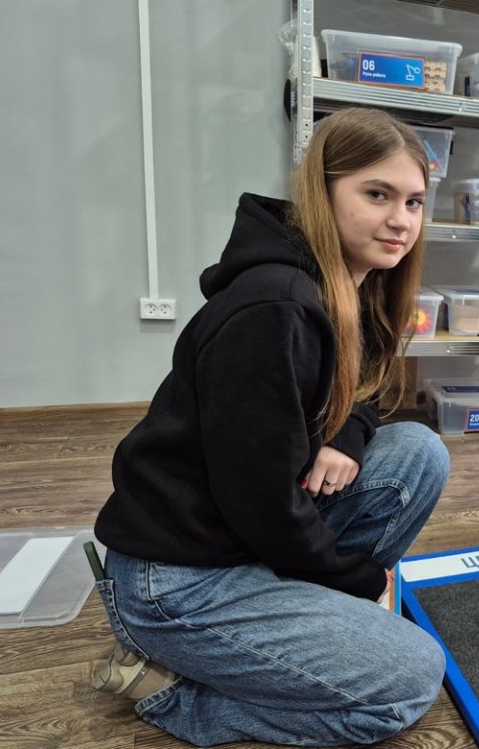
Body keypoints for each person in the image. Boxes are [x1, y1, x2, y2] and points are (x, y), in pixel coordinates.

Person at [90, 107, 450, 746]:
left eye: (414, 202)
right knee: (409, 679)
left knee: (418, 451)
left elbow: (365, 391)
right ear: (323, 193)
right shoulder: (275, 308)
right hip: (176, 580)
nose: (401, 220)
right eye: (377, 194)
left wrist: (342, 437)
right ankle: (176, 695)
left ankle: (308, 631)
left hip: (243, 537)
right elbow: (260, 500)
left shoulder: (354, 284)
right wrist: (359, 579)